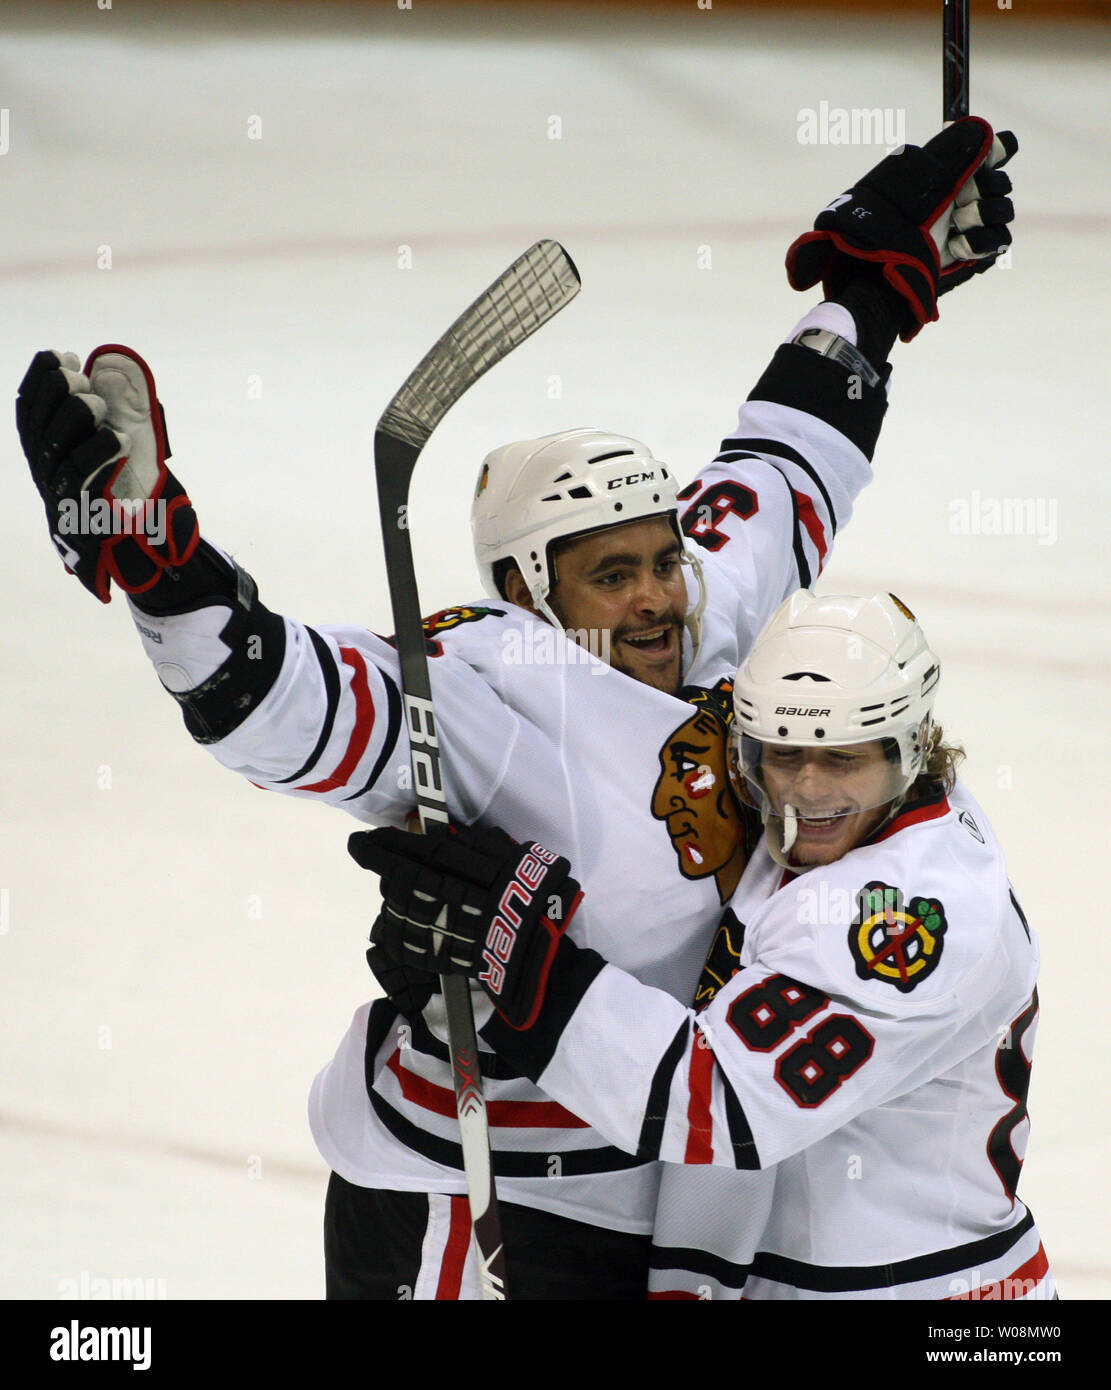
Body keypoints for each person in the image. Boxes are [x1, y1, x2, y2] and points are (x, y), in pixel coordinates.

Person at [16, 120, 1017, 1299]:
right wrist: (163, 568)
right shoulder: (483, 688)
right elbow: (279, 699)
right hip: (464, 1180)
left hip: (645, 1173)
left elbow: (784, 465)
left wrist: (873, 291)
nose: (656, 600)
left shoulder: (703, 607)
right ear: (524, 590)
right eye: (612, 574)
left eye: (663, 557)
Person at [354, 590, 1053, 1300]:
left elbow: (718, 1103)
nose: (804, 792)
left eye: (840, 759)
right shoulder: (849, 832)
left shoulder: (905, 910)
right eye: (782, 756)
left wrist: (522, 961)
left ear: (909, 747)